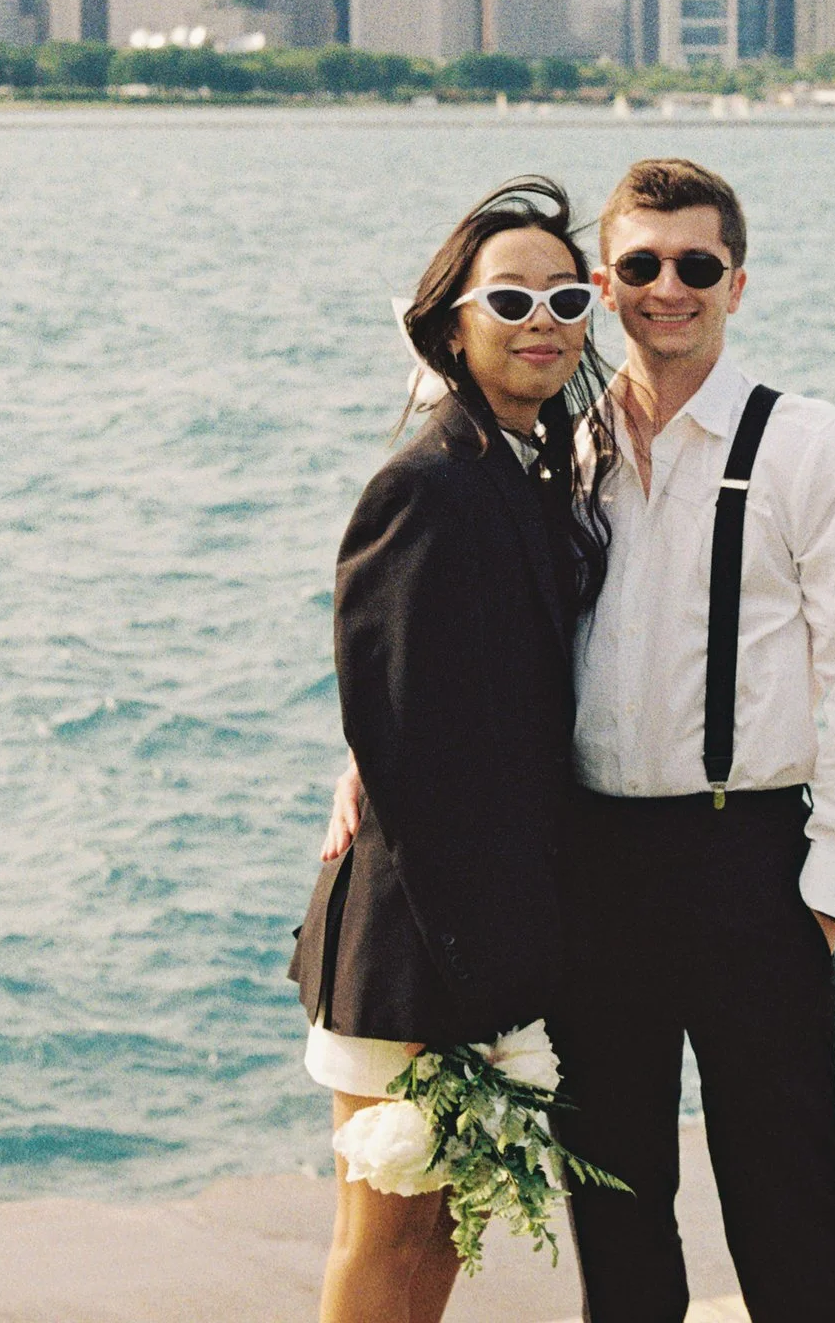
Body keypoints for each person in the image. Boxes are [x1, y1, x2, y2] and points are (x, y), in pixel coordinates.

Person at [324, 159, 835, 1322]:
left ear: (736, 283)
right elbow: (467, 636)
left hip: (751, 864)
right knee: (615, 1208)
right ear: (606, 283)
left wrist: (827, 893)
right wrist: (367, 756)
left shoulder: (822, 453)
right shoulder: (559, 448)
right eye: (639, 265)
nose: (667, 288)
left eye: (696, 265)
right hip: (589, 871)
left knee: (789, 1201)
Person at [289, 179, 618, 1323]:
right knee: (384, 1232)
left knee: (437, 1229)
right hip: (415, 942)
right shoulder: (426, 485)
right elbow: (398, 740)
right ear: (449, 324)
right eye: (510, 298)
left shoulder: (521, 469)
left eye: (566, 298)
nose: (542, 321)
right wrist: (474, 966)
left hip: (476, 935)